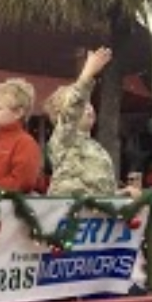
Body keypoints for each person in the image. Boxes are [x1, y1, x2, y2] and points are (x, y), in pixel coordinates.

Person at [44, 47, 118, 197]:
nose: (88, 108)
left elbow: (95, 188)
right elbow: (72, 108)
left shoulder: (94, 145)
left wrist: (123, 194)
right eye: (82, 105)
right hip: (68, 213)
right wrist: (87, 75)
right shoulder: (63, 138)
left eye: (89, 104)